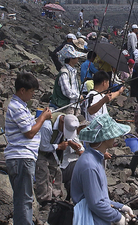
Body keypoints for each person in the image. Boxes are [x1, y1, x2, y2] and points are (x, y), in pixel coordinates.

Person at [5, 72, 52, 225]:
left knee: (24, 197)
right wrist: (42, 118)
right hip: (21, 157)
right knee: (24, 198)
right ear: (22, 90)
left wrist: (38, 118)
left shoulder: (21, 107)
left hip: (23, 157)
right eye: (31, 91)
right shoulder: (16, 107)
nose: (32, 95)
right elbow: (30, 132)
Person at [71, 114, 134, 225]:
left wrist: (121, 207)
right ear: (105, 138)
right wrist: (118, 218)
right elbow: (96, 204)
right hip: (90, 220)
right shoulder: (89, 165)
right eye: (113, 134)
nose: (115, 137)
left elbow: (100, 199)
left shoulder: (95, 159)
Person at [34, 112, 68, 210]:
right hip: (40, 151)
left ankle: (55, 196)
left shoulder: (65, 121)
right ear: (62, 122)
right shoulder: (47, 126)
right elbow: (43, 147)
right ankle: (44, 201)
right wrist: (59, 146)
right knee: (43, 173)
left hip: (52, 151)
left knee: (57, 171)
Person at [50, 44, 86, 115]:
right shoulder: (64, 73)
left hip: (75, 105)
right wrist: (79, 96)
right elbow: (67, 92)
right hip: (67, 106)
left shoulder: (73, 71)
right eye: (76, 57)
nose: (78, 58)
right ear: (70, 59)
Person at [60, 115, 87, 201]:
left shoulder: (78, 136)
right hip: (66, 167)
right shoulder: (72, 136)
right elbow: (81, 153)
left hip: (69, 167)